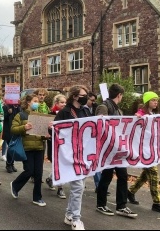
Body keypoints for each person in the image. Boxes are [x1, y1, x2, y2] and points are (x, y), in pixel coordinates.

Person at [95, 83, 137, 218]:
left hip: (118, 150)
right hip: (108, 150)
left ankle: (121, 206)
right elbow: (101, 126)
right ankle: (101, 204)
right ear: (119, 95)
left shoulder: (117, 110)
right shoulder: (104, 107)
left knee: (123, 176)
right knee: (106, 177)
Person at [127, 91, 160, 215]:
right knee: (154, 174)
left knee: (146, 175)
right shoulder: (141, 113)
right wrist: (138, 117)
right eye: (153, 100)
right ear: (147, 102)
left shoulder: (152, 114)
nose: (156, 102)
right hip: (144, 151)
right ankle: (157, 203)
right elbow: (136, 120)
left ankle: (130, 192)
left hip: (150, 150)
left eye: (157, 100)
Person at [54, 85, 89, 230]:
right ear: (75, 96)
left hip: (83, 154)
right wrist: (52, 126)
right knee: (78, 187)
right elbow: (54, 129)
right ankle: (76, 219)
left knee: (79, 187)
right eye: (83, 94)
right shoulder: (64, 112)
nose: (85, 96)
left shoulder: (86, 111)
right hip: (69, 155)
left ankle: (69, 215)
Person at [10, 94, 48, 207]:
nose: (37, 103)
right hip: (27, 147)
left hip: (39, 147)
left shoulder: (40, 115)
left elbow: (41, 132)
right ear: (28, 102)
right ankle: (15, 185)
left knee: (39, 173)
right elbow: (13, 129)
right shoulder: (20, 115)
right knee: (29, 171)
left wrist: (45, 136)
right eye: (35, 101)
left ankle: (37, 197)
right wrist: (24, 127)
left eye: (38, 101)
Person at [83, 92, 110, 196]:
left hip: (93, 139)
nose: (93, 102)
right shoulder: (83, 110)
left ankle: (98, 185)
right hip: (86, 140)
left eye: (94, 100)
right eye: (91, 100)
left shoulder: (93, 108)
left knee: (95, 162)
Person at [45, 93, 67, 199]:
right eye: (62, 102)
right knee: (57, 165)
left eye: (65, 102)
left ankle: (51, 179)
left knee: (61, 165)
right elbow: (47, 128)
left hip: (64, 143)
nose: (64, 104)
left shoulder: (67, 114)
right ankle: (60, 188)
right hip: (53, 142)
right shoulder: (51, 114)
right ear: (56, 103)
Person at [2, 100, 21, 173]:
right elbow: (2, 118)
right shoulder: (6, 107)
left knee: (14, 148)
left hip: (16, 131)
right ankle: (8, 164)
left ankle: (12, 164)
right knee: (10, 148)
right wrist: (8, 113)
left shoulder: (19, 107)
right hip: (8, 131)